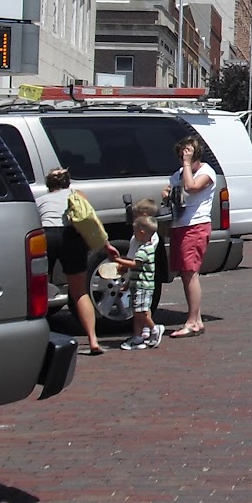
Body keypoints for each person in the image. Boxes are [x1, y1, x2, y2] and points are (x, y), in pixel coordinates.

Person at [38, 167, 107, 356]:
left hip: (47, 234)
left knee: (40, 289)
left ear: (48, 185)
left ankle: (42, 339)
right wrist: (105, 245)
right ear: (68, 182)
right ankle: (93, 340)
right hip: (72, 235)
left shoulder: (40, 200)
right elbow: (89, 219)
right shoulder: (76, 194)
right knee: (79, 291)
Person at [164, 134, 215, 338]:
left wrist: (187, 164)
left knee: (190, 272)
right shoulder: (179, 172)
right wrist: (167, 193)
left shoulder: (207, 172)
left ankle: (192, 321)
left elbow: (191, 187)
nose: (182, 160)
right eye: (180, 156)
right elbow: (173, 187)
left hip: (196, 226)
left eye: (185, 155)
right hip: (180, 224)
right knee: (184, 274)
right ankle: (197, 319)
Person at [113, 213, 161, 351]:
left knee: (141, 311)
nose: (133, 235)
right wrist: (128, 284)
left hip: (143, 287)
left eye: (135, 232)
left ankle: (154, 329)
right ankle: (138, 337)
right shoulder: (146, 247)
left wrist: (118, 260)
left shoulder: (144, 250)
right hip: (137, 285)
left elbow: (134, 265)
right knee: (137, 310)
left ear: (141, 232)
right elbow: (136, 271)